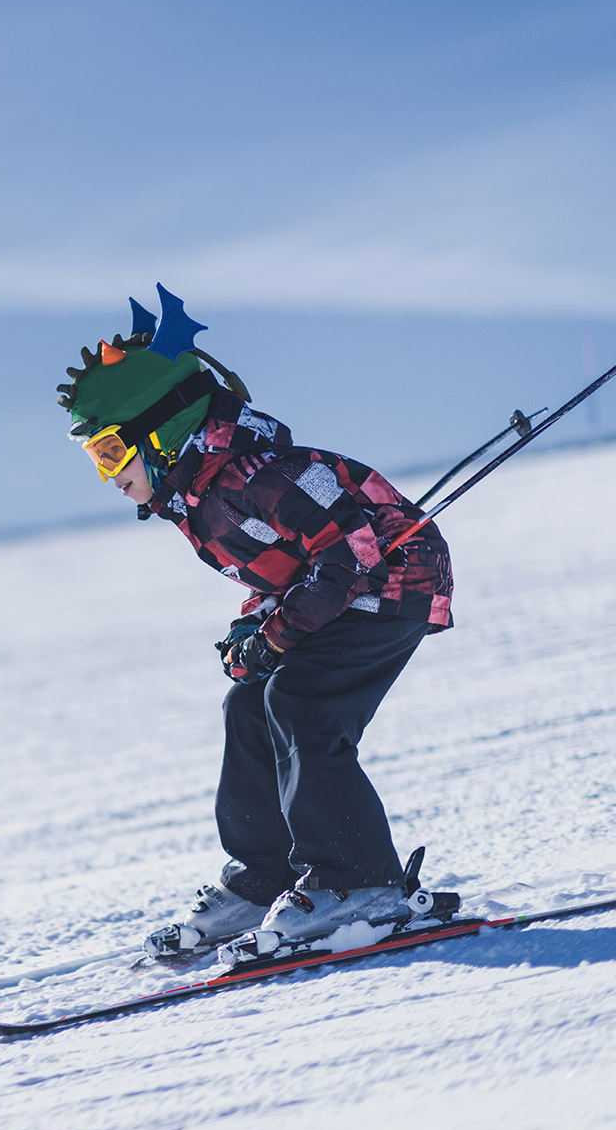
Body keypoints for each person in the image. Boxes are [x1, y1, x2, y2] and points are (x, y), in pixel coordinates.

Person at [58, 286, 454, 959]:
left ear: (161, 433)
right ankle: (264, 878)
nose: (108, 477)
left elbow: (352, 550)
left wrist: (276, 636)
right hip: (342, 595)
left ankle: (359, 883)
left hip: (393, 586)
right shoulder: (200, 500)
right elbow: (284, 574)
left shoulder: (262, 475)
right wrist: (255, 628)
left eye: (109, 455)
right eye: (96, 461)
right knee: (248, 705)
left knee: (300, 702)